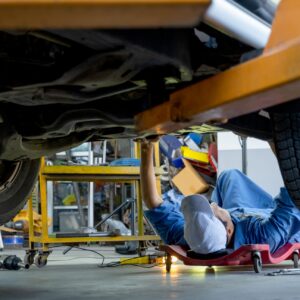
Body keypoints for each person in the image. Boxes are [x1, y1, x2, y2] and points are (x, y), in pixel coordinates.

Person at [140, 140, 300, 255]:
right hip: (272, 216)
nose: (214, 204)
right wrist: (280, 141)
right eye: (213, 210)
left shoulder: (190, 236)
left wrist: (146, 147)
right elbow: (294, 189)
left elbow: (152, 201)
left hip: (239, 214)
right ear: (228, 230)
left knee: (229, 176)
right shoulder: (264, 236)